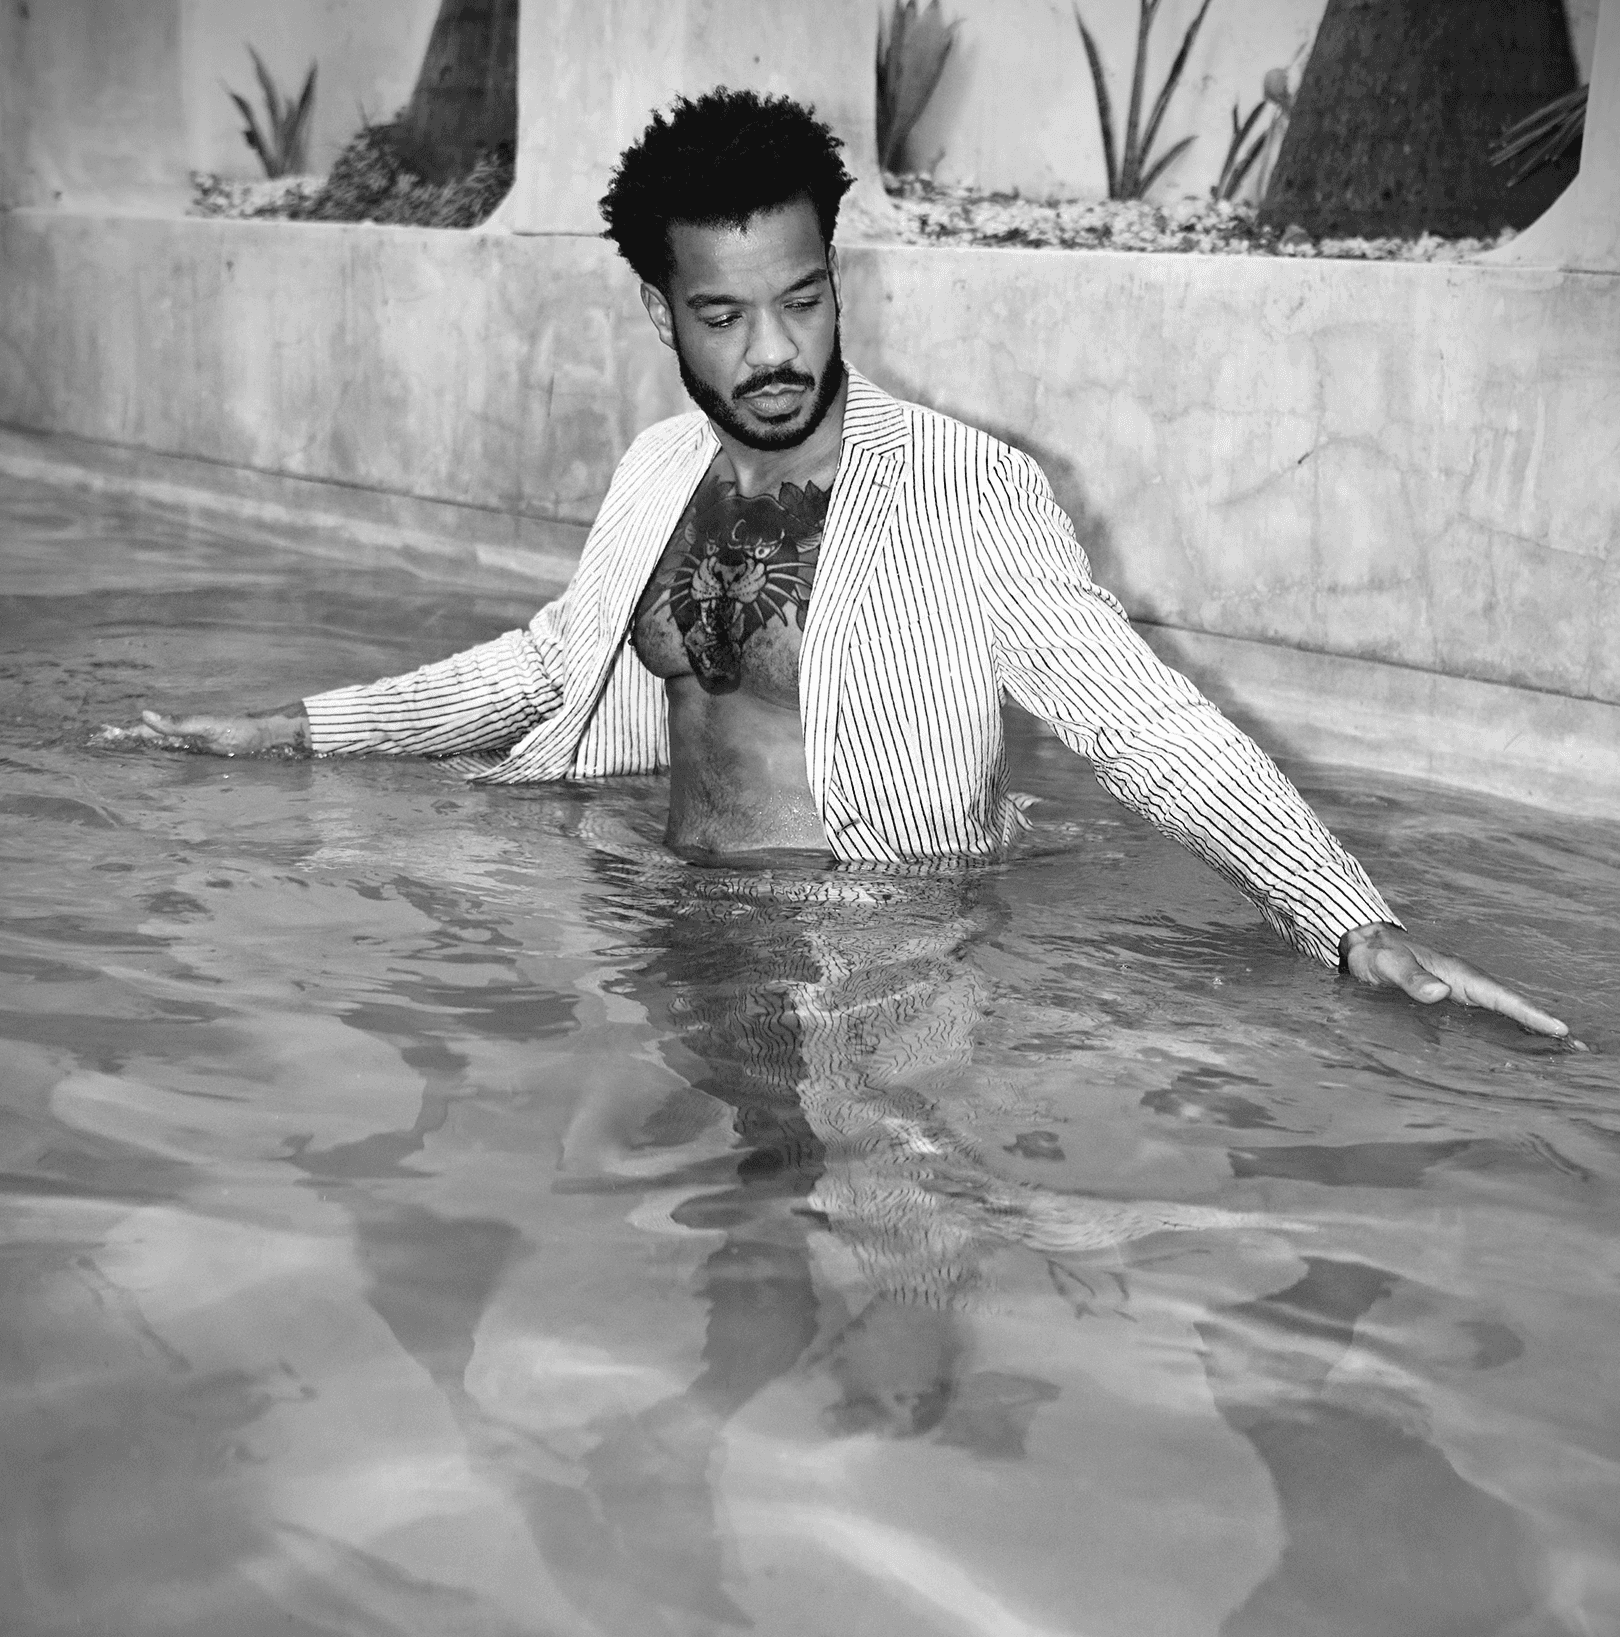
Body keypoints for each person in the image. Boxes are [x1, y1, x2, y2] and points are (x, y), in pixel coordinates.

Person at [134, 88, 1568, 1038]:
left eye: (805, 299)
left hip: (877, 949)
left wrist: (1346, 921)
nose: (774, 352)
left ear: (836, 275)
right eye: (725, 314)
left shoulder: (966, 491)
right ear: (659, 310)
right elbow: (547, 665)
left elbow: (1147, 730)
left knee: (879, 1266)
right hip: (656, 911)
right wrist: (293, 734)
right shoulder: (655, 473)